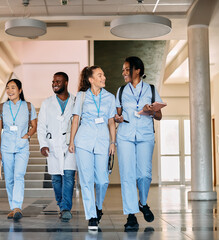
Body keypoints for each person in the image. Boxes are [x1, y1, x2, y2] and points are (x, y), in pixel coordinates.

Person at [114, 56, 163, 231]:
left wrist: (151, 111)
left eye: (127, 69)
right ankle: (131, 215)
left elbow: (159, 116)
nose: (124, 73)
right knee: (127, 175)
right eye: (123, 70)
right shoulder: (120, 91)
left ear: (138, 70)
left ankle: (142, 202)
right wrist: (117, 118)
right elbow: (117, 115)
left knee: (144, 174)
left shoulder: (151, 90)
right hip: (125, 135)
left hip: (145, 135)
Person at [68, 66, 116, 231]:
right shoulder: (81, 96)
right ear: (91, 79)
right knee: (86, 180)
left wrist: (113, 142)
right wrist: (71, 141)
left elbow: (111, 121)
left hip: (102, 140)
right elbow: (76, 119)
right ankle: (92, 216)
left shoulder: (110, 97)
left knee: (102, 180)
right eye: (100, 75)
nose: (104, 77)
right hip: (83, 141)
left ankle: (98, 206)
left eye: (103, 74)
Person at [37, 72, 77, 222]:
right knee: (56, 179)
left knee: (68, 176)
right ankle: (61, 205)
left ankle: (66, 207)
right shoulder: (47, 103)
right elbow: (41, 126)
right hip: (53, 145)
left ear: (66, 82)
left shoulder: (75, 100)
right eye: (53, 81)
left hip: (70, 145)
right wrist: (43, 145)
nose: (54, 84)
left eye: (58, 81)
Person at [0, 79, 37, 221]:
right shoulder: (2, 107)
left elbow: (34, 126)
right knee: (9, 179)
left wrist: (27, 136)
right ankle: (13, 208)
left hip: (22, 146)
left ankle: (17, 206)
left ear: (20, 90)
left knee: (19, 175)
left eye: (13, 88)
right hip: (6, 147)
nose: (10, 91)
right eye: (7, 88)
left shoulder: (28, 106)